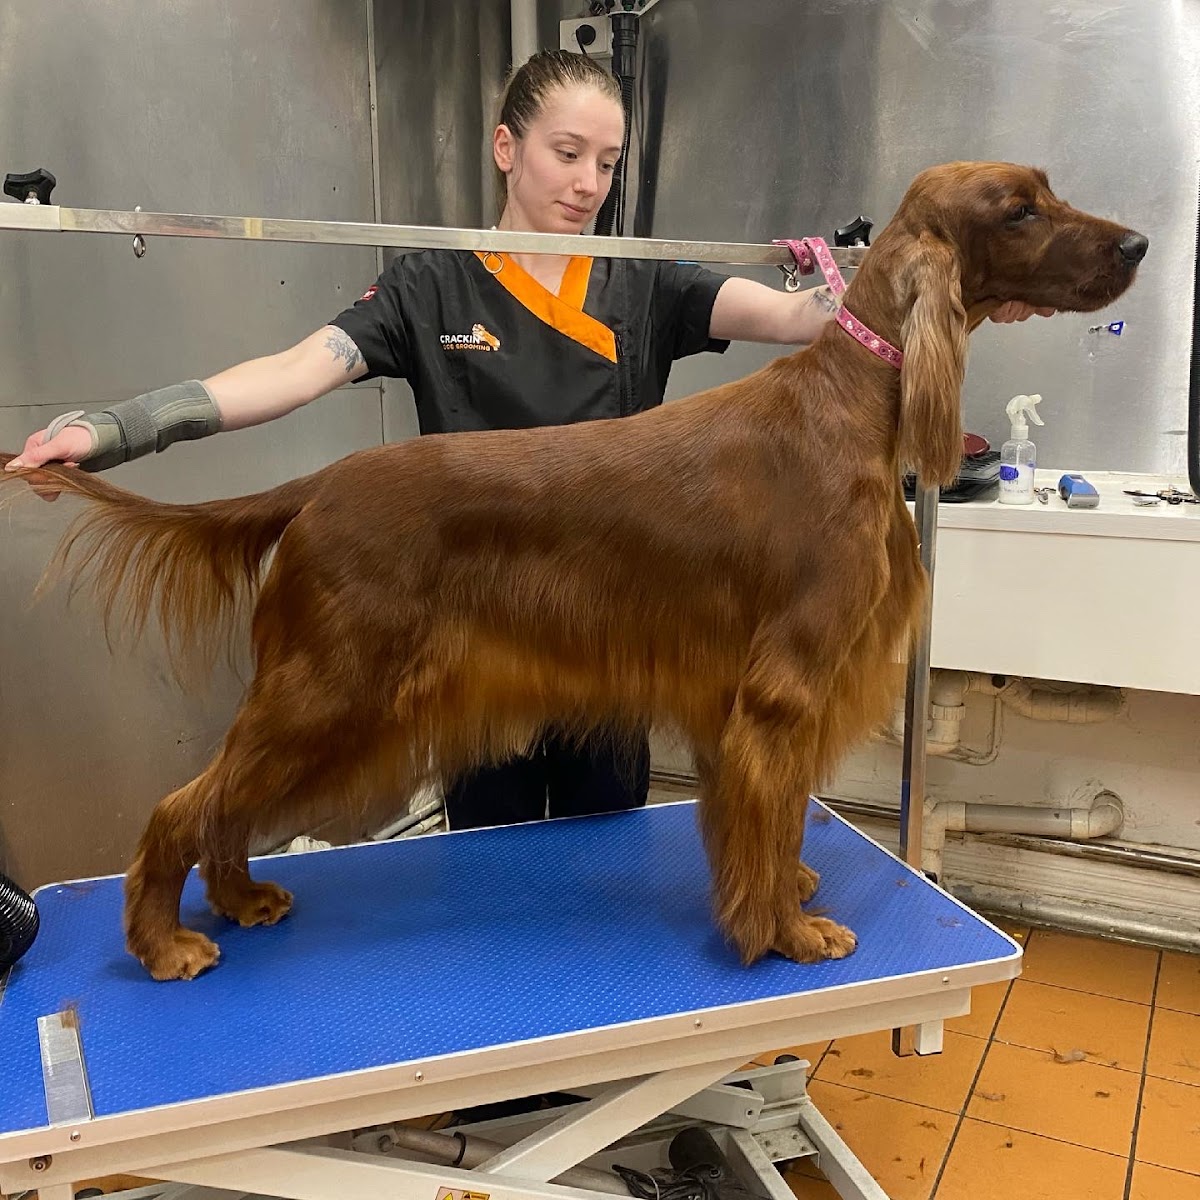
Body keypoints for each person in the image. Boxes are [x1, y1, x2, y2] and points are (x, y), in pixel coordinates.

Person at [6, 50, 1050, 831]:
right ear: (507, 148)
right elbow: (288, 373)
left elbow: (805, 323)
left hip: (621, 630)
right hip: (472, 622)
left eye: (608, 161)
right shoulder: (429, 283)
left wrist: (961, 293)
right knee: (491, 861)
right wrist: (117, 427)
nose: (588, 181)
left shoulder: (649, 278)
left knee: (604, 850)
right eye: (566, 152)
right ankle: (499, 1077)